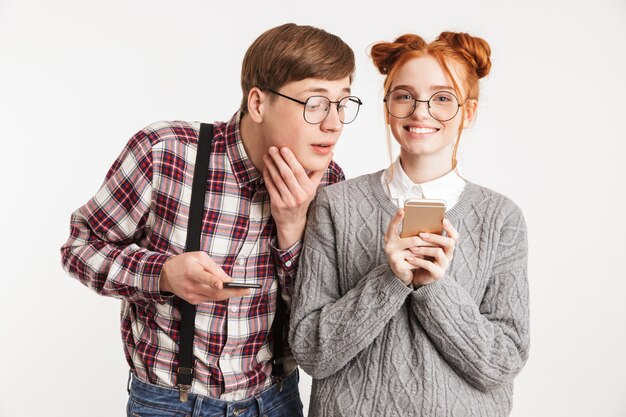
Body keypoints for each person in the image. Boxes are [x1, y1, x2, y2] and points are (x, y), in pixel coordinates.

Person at [61, 23, 362, 417]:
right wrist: (164, 274)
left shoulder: (331, 183)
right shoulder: (167, 152)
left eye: (342, 103)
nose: (334, 123)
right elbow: (80, 248)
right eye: (316, 103)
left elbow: (318, 324)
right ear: (257, 103)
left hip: (275, 401)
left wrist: (291, 229)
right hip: (170, 402)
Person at [289, 31, 529, 417]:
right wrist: (390, 279)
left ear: (468, 112)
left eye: (442, 98)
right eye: (404, 96)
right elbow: (311, 352)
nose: (420, 111)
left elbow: (501, 363)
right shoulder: (337, 204)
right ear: (387, 109)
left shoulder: (501, 219)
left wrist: (434, 288)